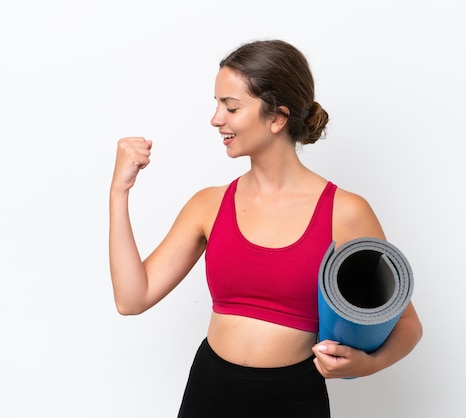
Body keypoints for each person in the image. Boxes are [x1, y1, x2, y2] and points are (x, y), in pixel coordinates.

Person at [109, 39, 423, 418]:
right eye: (216, 104)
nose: (215, 119)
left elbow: (407, 325)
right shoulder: (208, 205)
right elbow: (132, 298)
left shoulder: (345, 211)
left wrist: (365, 365)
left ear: (277, 117)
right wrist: (119, 192)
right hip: (210, 393)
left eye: (231, 107)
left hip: (294, 400)